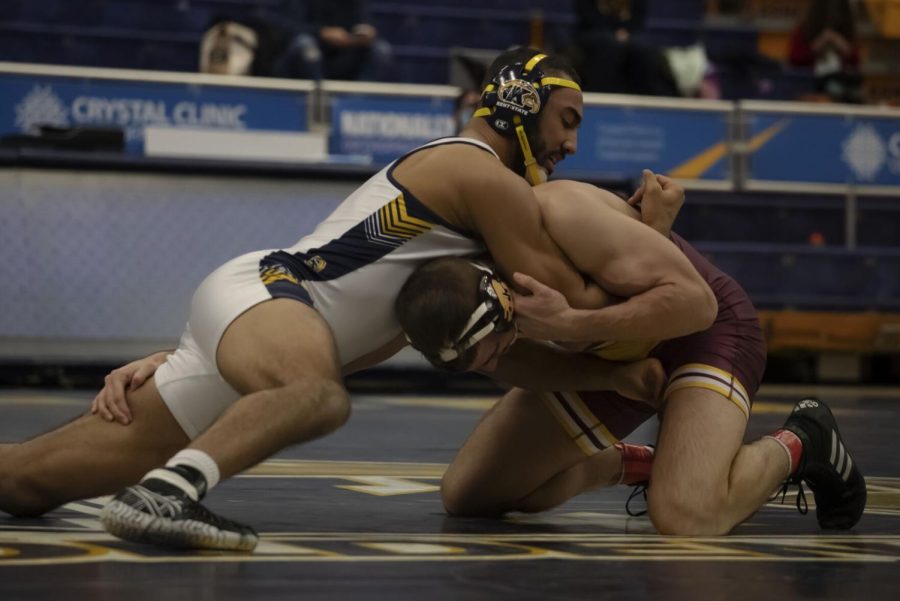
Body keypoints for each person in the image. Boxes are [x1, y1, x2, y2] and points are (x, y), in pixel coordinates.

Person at [0, 47, 667, 552]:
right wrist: (651, 236)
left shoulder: (460, 251)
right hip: (277, 304)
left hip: (260, 327)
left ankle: (161, 482)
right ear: (522, 102)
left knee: (25, 484)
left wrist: (606, 375)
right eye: (567, 120)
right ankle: (166, 493)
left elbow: (505, 356)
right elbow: (572, 311)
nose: (572, 144)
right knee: (319, 396)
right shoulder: (480, 174)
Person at [397, 178, 867, 534]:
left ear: (501, 304)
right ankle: (645, 464)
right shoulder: (466, 290)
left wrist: (571, 325)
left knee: (686, 515)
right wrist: (614, 375)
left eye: (496, 348)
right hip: (615, 354)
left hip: (704, 331)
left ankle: (805, 440)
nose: (494, 363)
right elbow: (513, 363)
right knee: (470, 494)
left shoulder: (563, 215)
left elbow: (696, 305)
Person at [788, 0, 864, 104]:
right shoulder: (804, 29)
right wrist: (817, 46)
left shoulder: (847, 31)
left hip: (840, 86)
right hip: (810, 83)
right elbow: (794, 59)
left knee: (845, 89)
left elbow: (856, 64)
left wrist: (842, 45)